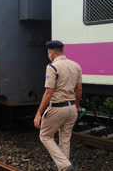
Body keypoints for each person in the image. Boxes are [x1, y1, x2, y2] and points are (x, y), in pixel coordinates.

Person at [34, 40, 82, 171]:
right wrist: (76, 106)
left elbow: (49, 92)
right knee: (65, 140)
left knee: (45, 136)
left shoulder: (52, 67)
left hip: (58, 108)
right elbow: (79, 90)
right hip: (72, 108)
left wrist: (39, 113)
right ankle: (64, 168)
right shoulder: (76, 66)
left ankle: (64, 166)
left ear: (51, 53)